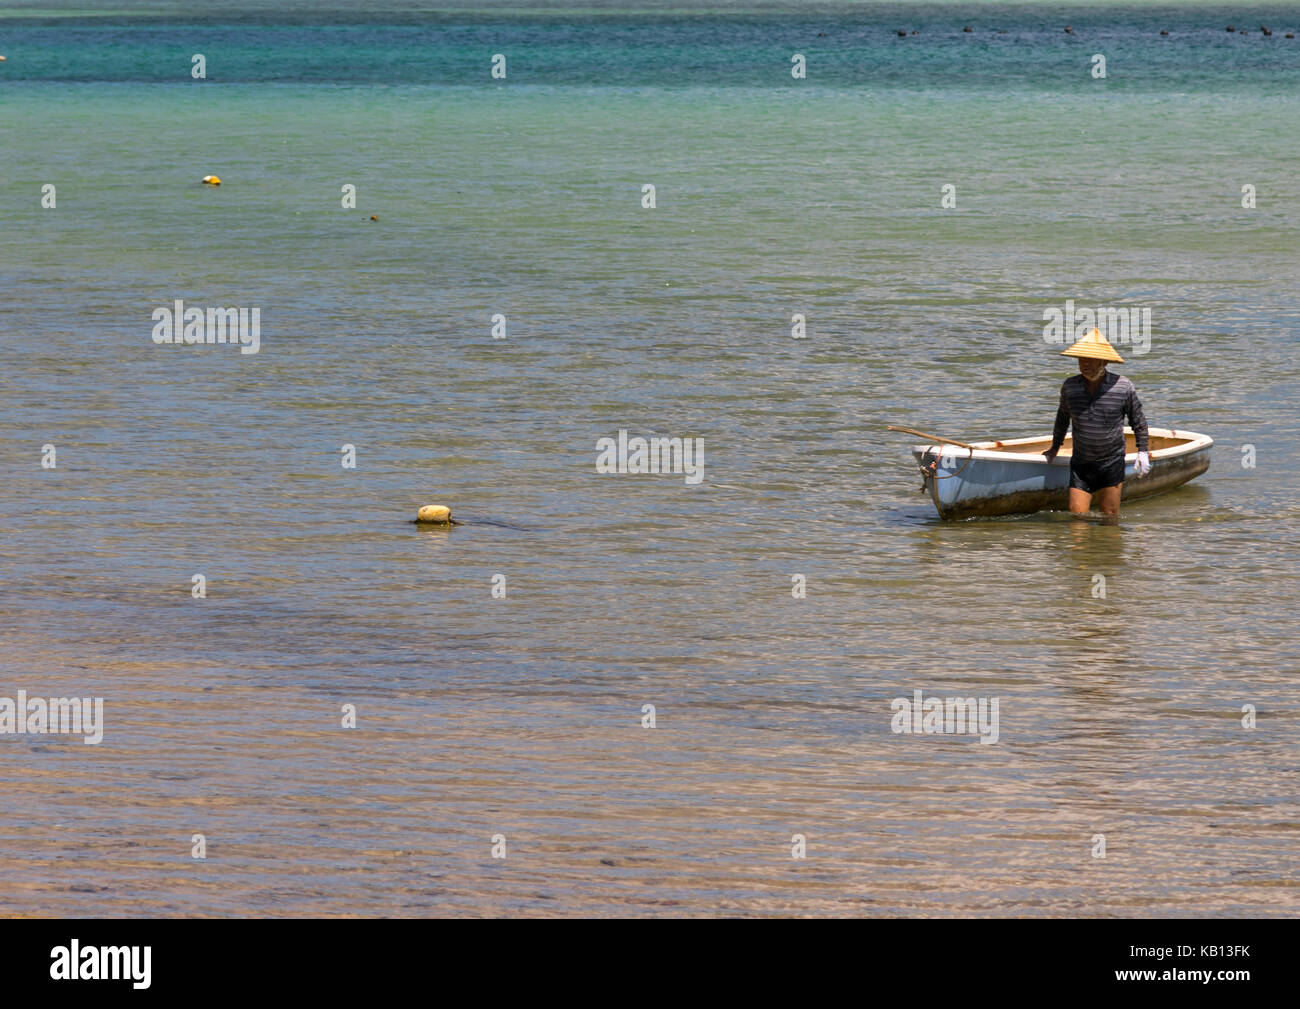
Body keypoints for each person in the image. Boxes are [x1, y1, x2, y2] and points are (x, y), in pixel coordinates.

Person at [1043, 328, 1150, 518]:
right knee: (1077, 518)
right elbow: (1062, 419)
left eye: (1090, 360)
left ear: (1105, 362)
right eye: (1081, 359)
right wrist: (1055, 447)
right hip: (1081, 464)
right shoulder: (1070, 386)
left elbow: (1138, 421)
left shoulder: (1122, 386)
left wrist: (1142, 451)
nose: (1084, 364)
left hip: (1111, 462)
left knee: (1109, 517)